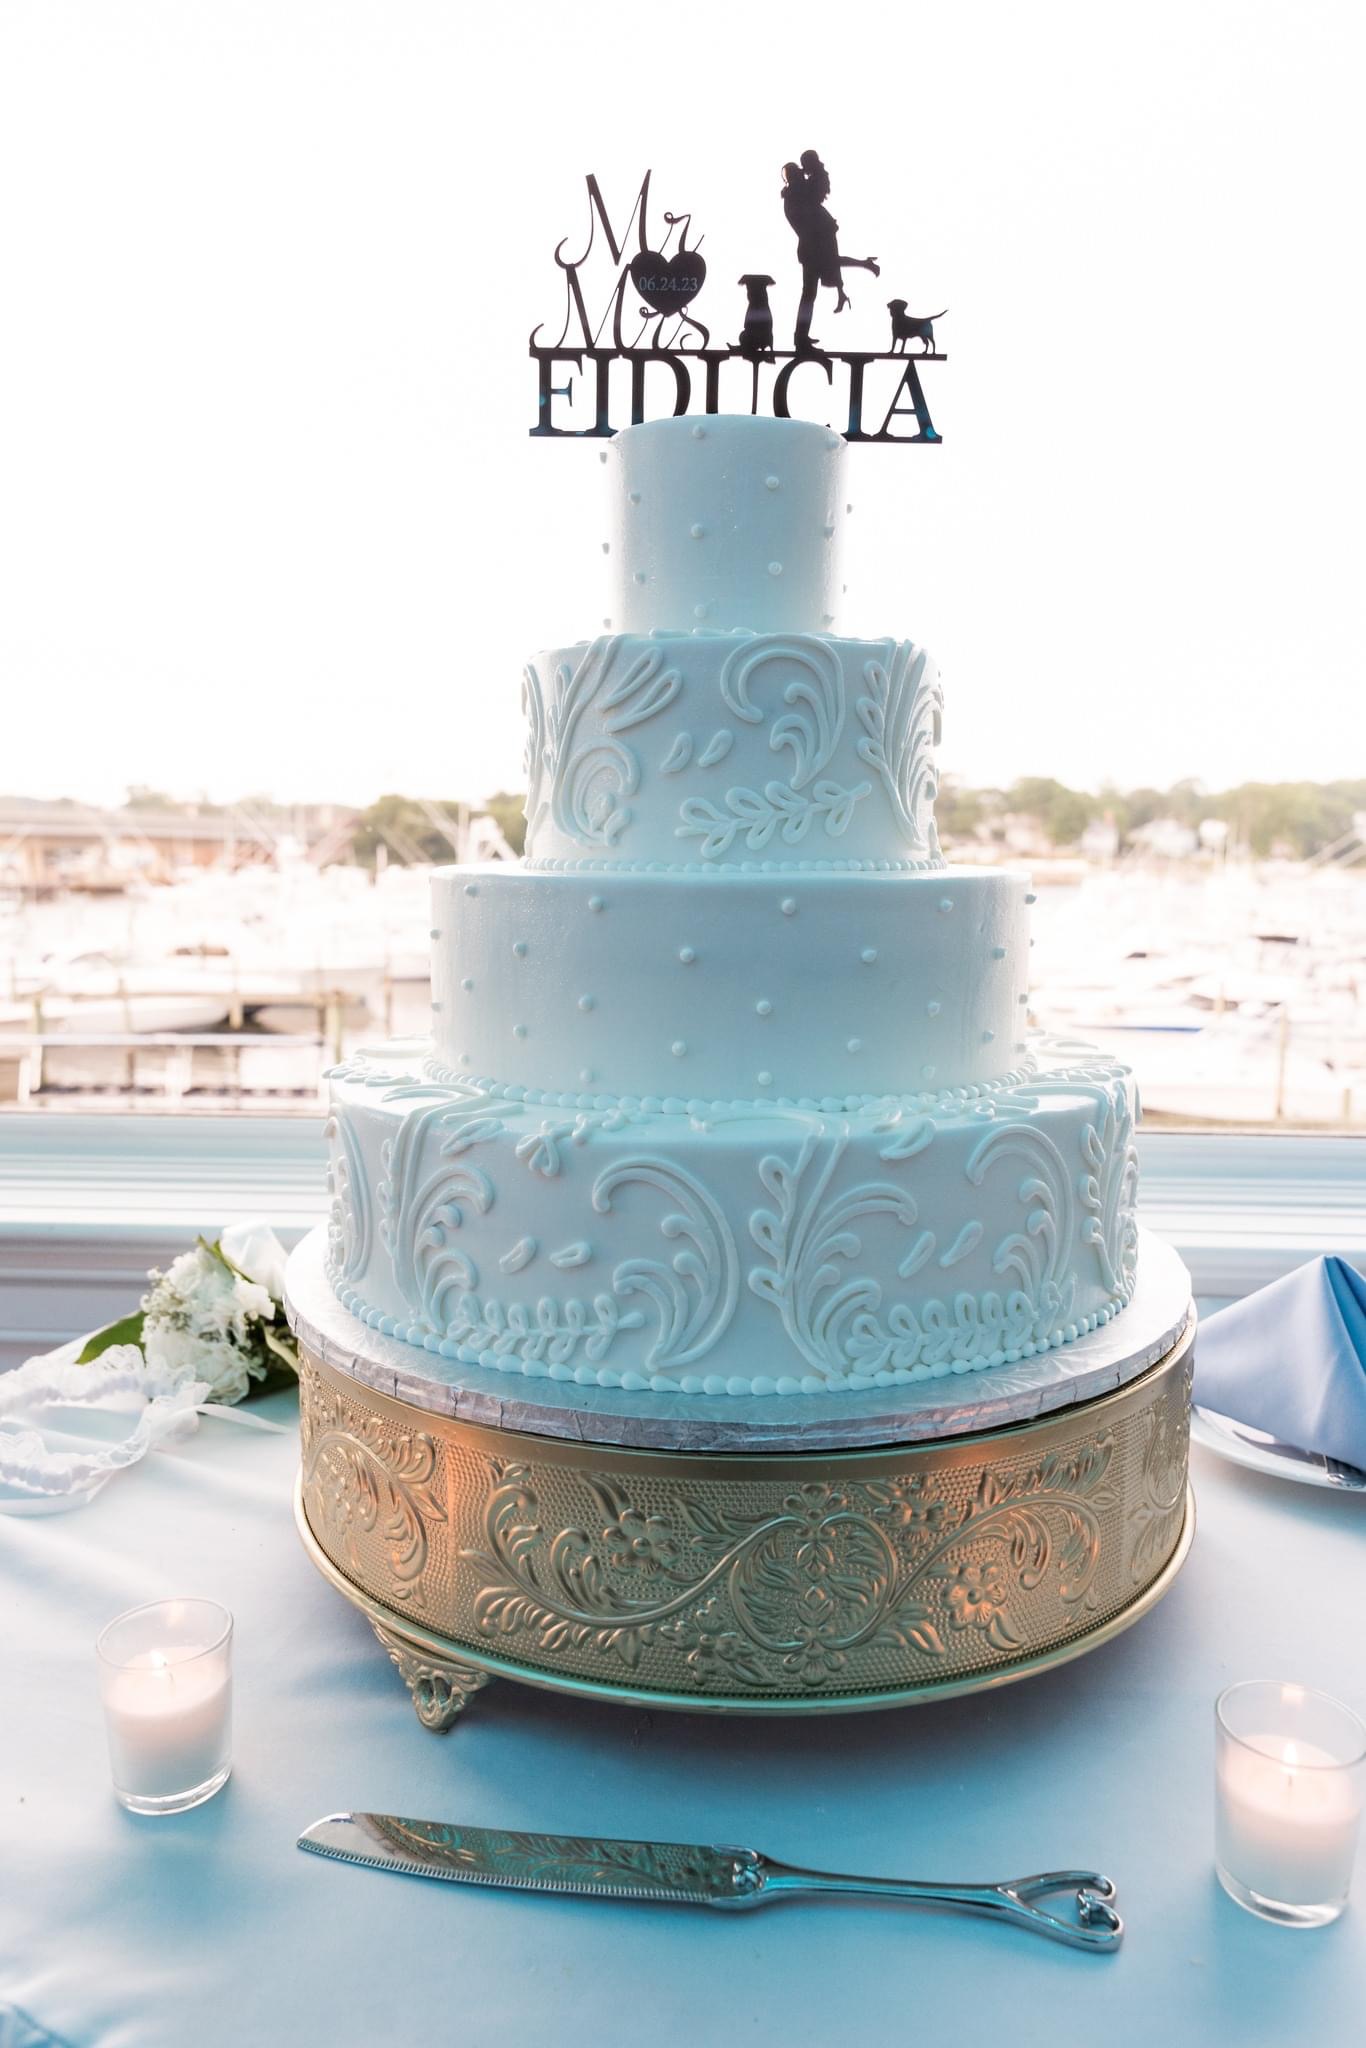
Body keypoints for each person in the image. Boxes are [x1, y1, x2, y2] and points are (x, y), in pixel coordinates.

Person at [782, 151, 879, 349]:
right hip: (811, 247)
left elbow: (818, 187)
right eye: (798, 173)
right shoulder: (798, 194)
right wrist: (813, 167)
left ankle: (801, 337)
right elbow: (819, 185)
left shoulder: (797, 194)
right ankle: (800, 338)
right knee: (809, 294)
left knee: (810, 293)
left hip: (811, 247)